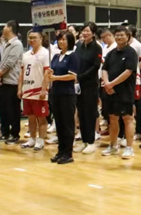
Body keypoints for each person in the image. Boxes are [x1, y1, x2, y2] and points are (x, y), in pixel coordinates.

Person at [101, 27, 138, 159]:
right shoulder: (111, 53)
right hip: (110, 91)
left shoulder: (131, 52)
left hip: (125, 91)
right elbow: (104, 69)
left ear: (128, 37)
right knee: (112, 119)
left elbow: (128, 71)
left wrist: (112, 84)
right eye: (117, 35)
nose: (119, 37)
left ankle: (129, 148)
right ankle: (113, 145)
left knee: (127, 119)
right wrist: (107, 83)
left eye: (122, 35)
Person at [47, 32, 79, 164]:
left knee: (67, 124)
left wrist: (56, 78)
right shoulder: (56, 56)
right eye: (59, 39)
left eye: (64, 39)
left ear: (70, 41)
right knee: (59, 124)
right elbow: (52, 71)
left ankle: (68, 153)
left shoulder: (73, 56)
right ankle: (60, 151)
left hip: (67, 94)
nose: (61, 42)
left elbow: (73, 76)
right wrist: (50, 74)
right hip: (56, 93)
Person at [18, 27, 50, 151]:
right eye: (30, 38)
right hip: (27, 90)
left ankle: (40, 140)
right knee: (30, 117)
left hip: (38, 91)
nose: (32, 40)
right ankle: (32, 138)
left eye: (34, 38)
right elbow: (21, 73)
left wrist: (44, 89)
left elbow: (47, 73)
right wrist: (20, 88)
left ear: (41, 39)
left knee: (41, 117)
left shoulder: (45, 53)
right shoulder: (25, 55)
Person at [74, 22, 102, 155]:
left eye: (88, 31)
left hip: (90, 85)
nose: (85, 33)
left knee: (89, 113)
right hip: (78, 85)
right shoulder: (79, 46)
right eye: (83, 31)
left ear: (93, 33)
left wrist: (80, 77)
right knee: (81, 113)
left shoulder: (97, 47)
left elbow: (95, 67)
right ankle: (84, 141)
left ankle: (91, 142)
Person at [0, 20, 23, 143]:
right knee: (3, 109)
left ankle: (14, 134)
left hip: (12, 82)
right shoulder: (5, 44)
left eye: (4, 26)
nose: (3, 29)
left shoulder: (16, 44)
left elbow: (9, 62)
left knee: (13, 110)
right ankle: (5, 132)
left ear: (10, 28)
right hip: (3, 82)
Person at [99, 28, 115, 136]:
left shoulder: (114, 47)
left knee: (113, 108)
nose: (103, 40)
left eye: (104, 37)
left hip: (111, 80)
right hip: (103, 79)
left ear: (109, 35)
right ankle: (109, 127)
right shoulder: (105, 47)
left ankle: (116, 131)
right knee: (106, 106)